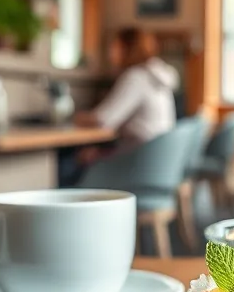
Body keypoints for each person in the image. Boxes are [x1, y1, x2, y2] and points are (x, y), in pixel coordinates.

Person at [67, 28, 180, 183]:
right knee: (88, 154)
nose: (110, 53)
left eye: (114, 47)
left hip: (140, 165)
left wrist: (75, 117)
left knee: (68, 163)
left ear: (128, 49)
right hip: (158, 164)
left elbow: (103, 120)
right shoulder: (156, 76)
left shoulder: (136, 77)